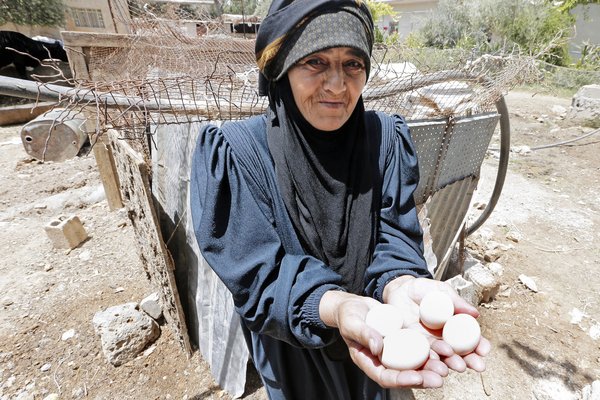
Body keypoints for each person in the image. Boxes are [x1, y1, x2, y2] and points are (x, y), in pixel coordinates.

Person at [190, 1, 491, 399]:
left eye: (353, 63)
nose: (337, 84)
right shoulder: (238, 154)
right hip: (294, 358)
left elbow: (396, 234)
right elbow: (258, 278)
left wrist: (400, 283)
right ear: (281, 68)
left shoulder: (384, 140)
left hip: (378, 334)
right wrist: (335, 307)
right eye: (314, 62)